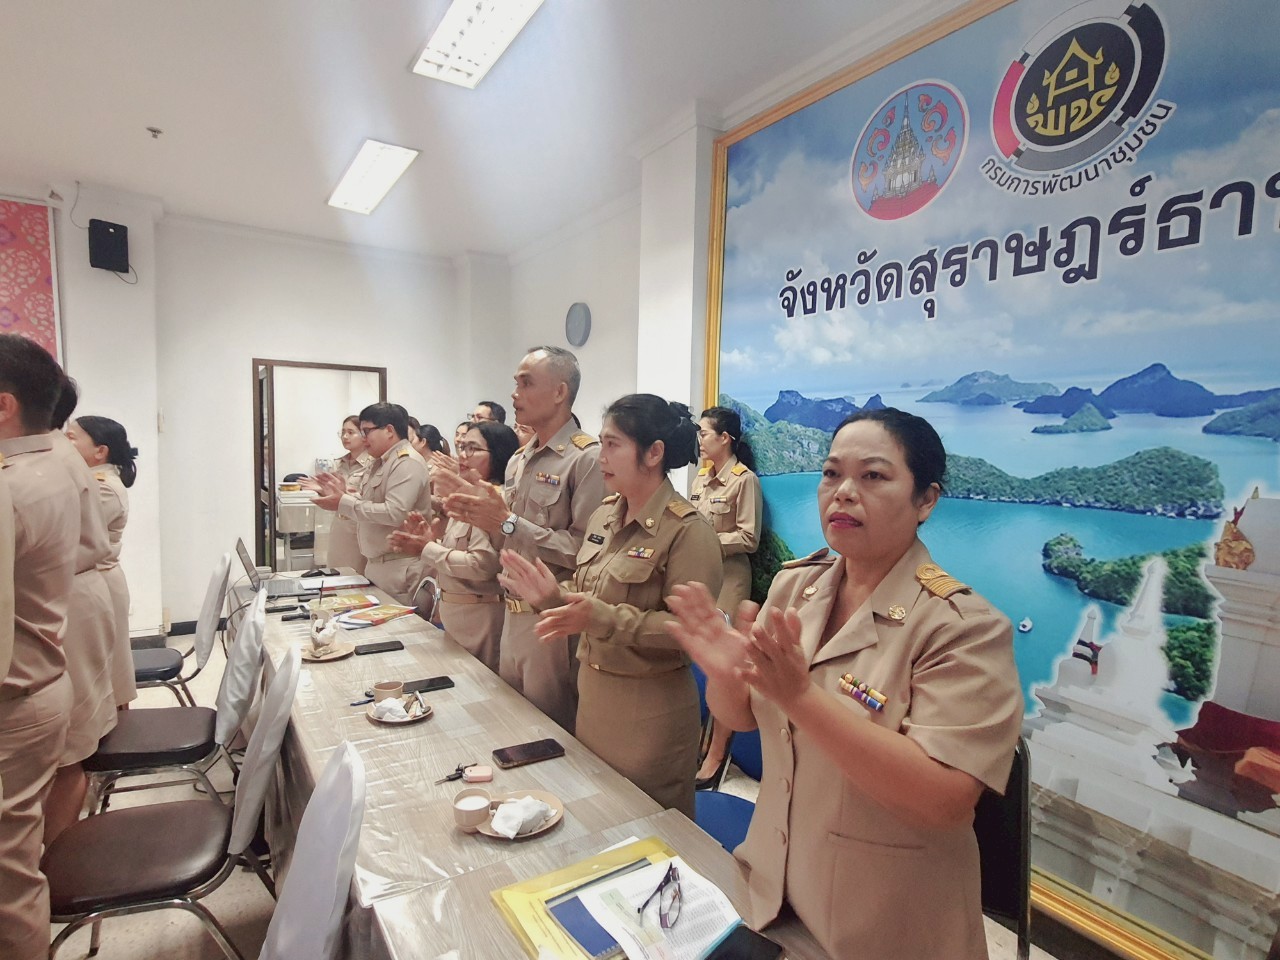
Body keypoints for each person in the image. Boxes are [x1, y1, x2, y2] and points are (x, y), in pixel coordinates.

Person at [666, 408, 1022, 959]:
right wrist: (723, 673)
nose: (843, 493)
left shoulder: (963, 628)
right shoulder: (793, 590)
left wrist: (801, 698)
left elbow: (945, 802)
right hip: (770, 896)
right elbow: (739, 717)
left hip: (882, 928)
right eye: (831, 474)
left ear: (926, 500)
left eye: (873, 476)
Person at [501, 395, 721, 818]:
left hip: (649, 711)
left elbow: (691, 633)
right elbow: (593, 594)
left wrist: (601, 618)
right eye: (601, 444)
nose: (601, 457)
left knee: (645, 833)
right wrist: (552, 598)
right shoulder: (605, 515)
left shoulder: (688, 532)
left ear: (653, 453)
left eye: (613, 445)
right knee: (596, 819)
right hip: (594, 696)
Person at [443, 346, 603, 733]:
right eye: (515, 383)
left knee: (551, 733)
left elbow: (585, 551)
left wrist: (508, 523)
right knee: (510, 725)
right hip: (508, 614)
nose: (514, 393)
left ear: (560, 392)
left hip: (550, 618)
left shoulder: (586, 458)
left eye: (526, 383)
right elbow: (507, 538)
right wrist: (482, 518)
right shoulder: (518, 459)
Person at [0, 334, 78, 960]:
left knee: (8, 881)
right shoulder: (54, 458)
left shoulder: (17, 480)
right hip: (39, 671)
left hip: (20, 688)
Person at [44, 379, 118, 844]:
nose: (69, 442)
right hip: (77, 597)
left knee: (73, 745)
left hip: (77, 600)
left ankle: (60, 857)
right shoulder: (57, 464)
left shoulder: (50, 468)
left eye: (77, 436)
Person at [392, 420, 519, 672]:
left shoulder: (493, 502)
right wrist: (432, 540)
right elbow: (458, 553)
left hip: (481, 616)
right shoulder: (466, 498)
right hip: (457, 614)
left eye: (473, 448)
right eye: (462, 447)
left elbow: (483, 565)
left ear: (498, 453)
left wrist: (427, 549)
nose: (463, 455)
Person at [690, 406, 762, 787]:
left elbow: (749, 538)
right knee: (701, 666)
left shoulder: (743, 480)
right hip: (704, 580)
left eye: (704, 433)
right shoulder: (702, 477)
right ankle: (699, 745)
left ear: (725, 439)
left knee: (725, 670)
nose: (699, 440)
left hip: (731, 584)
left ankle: (717, 754)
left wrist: (705, 541)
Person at [311, 403, 432, 603]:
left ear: (389, 430)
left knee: (398, 631)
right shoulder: (382, 462)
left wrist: (344, 502)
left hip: (399, 566)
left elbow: (394, 513)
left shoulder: (406, 462)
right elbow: (373, 504)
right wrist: (346, 496)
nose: (364, 439)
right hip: (379, 565)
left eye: (367, 431)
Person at [65, 415, 139, 709]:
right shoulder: (91, 480)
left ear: (100, 451)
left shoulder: (104, 487)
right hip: (94, 580)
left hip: (101, 582)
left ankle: (118, 736)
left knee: (110, 671)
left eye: (72, 437)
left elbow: (69, 530)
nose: (64, 443)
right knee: (105, 665)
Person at [324, 415, 374, 574]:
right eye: (343, 432)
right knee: (335, 573)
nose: (345, 437)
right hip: (339, 526)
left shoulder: (373, 463)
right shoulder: (338, 463)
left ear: (364, 435)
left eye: (351, 432)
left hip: (359, 526)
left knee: (355, 575)